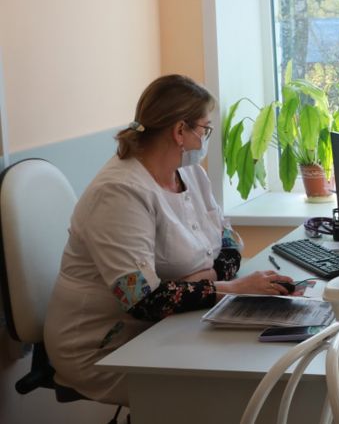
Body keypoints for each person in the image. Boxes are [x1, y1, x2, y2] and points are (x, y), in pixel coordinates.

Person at [44, 75, 297, 405]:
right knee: (232, 392)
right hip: (105, 345)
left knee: (253, 363)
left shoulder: (190, 172)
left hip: (170, 323)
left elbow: (230, 242)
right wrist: (231, 287)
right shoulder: (119, 193)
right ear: (180, 131)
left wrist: (199, 281)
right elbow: (144, 301)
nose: (206, 139)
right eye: (205, 129)